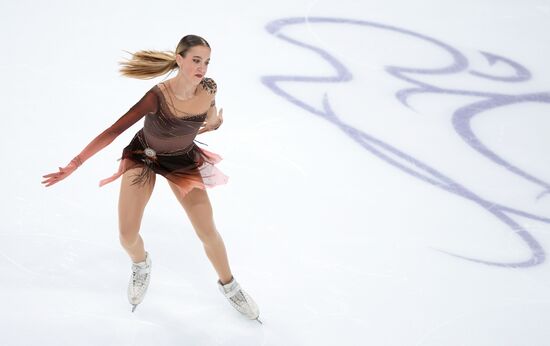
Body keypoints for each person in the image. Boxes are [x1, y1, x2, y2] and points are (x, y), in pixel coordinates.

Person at [41, 34, 261, 323]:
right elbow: (112, 131)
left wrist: (213, 121)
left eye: (207, 62)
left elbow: (208, 112)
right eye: (196, 60)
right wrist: (75, 163)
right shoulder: (157, 96)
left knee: (208, 231)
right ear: (180, 59)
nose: (203, 68)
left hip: (181, 160)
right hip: (144, 156)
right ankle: (141, 264)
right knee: (127, 235)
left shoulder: (209, 87)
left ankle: (230, 286)